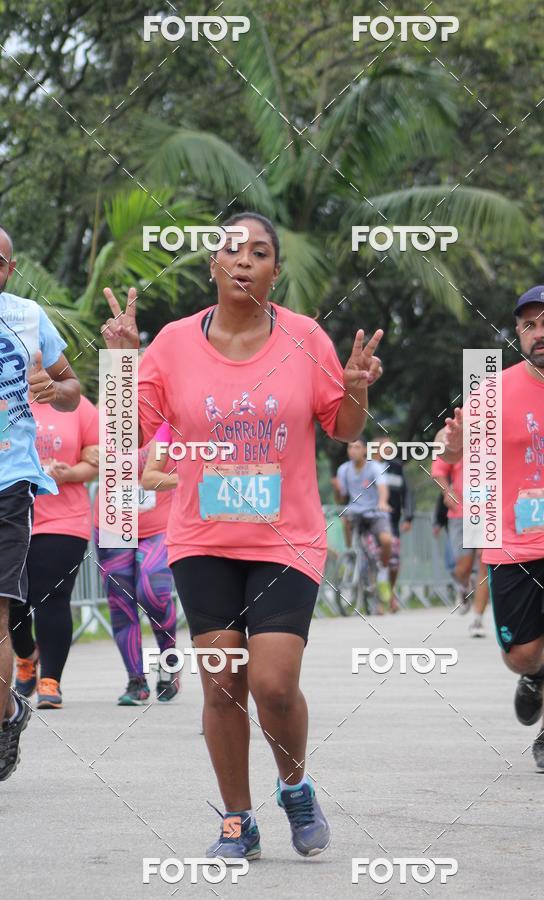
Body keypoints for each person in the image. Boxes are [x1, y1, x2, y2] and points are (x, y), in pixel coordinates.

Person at [101, 212, 384, 859]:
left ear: (274, 272)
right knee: (223, 682)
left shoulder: (307, 337)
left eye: (260, 252)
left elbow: (342, 426)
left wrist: (359, 389)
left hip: (287, 538)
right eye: (232, 250)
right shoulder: (171, 345)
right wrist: (121, 364)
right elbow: (128, 436)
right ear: (213, 266)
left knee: (274, 683)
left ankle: (295, 786)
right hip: (203, 537)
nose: (244, 260)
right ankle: (237, 819)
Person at [441, 285, 544, 773]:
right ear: (518, 335)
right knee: (524, 653)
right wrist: (453, 446)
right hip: (510, 541)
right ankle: (533, 676)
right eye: (529, 325)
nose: (540, 333)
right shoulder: (491, 390)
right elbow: (451, 453)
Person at [0, 225, 80, 780]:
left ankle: (3, 719)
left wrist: (58, 390)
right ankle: (10, 709)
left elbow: (72, 388)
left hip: (9, 482)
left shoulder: (29, 317)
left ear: (7, 268)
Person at [10, 396, 99, 708]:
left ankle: (51, 680)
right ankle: (25, 656)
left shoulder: (76, 405)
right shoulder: (7, 398)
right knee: (13, 602)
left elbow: (97, 459)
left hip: (63, 520)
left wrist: (70, 473)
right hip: (12, 518)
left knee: (51, 599)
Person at [93, 419, 179, 705]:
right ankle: (136, 681)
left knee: (153, 593)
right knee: (121, 603)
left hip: (158, 525)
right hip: (111, 524)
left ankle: (169, 664)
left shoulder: (167, 419)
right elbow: (86, 455)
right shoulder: (103, 418)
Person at [334, 438, 393, 613]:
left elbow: (383, 489)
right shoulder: (343, 470)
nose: (353, 450)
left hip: (375, 512)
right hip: (355, 511)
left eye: (357, 447)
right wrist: (337, 490)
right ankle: (350, 554)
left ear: (365, 450)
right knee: (344, 517)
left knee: (387, 541)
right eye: (350, 447)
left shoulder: (374, 467)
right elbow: (341, 498)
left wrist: (383, 502)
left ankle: (382, 573)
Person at [370, 446, 414, 610]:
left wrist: (408, 516)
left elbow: (407, 493)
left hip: (392, 522)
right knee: (373, 559)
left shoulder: (396, 467)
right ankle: (379, 601)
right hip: (370, 520)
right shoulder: (366, 467)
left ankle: (391, 591)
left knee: (393, 562)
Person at [430, 457, 476, 614]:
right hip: (460, 513)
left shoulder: (493, 438)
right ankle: (464, 586)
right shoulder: (454, 438)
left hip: (489, 512)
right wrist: (447, 492)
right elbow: (437, 472)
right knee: (462, 567)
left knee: (484, 562)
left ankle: (479, 619)